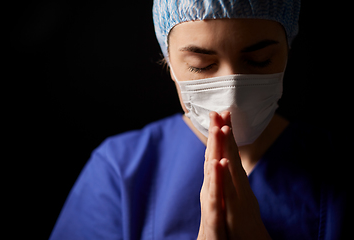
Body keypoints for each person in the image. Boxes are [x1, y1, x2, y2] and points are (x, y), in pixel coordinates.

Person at [50, 0, 347, 239]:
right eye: (201, 66)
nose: (231, 92)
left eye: (259, 61)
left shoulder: (335, 164)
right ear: (169, 63)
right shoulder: (120, 170)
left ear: (287, 51)